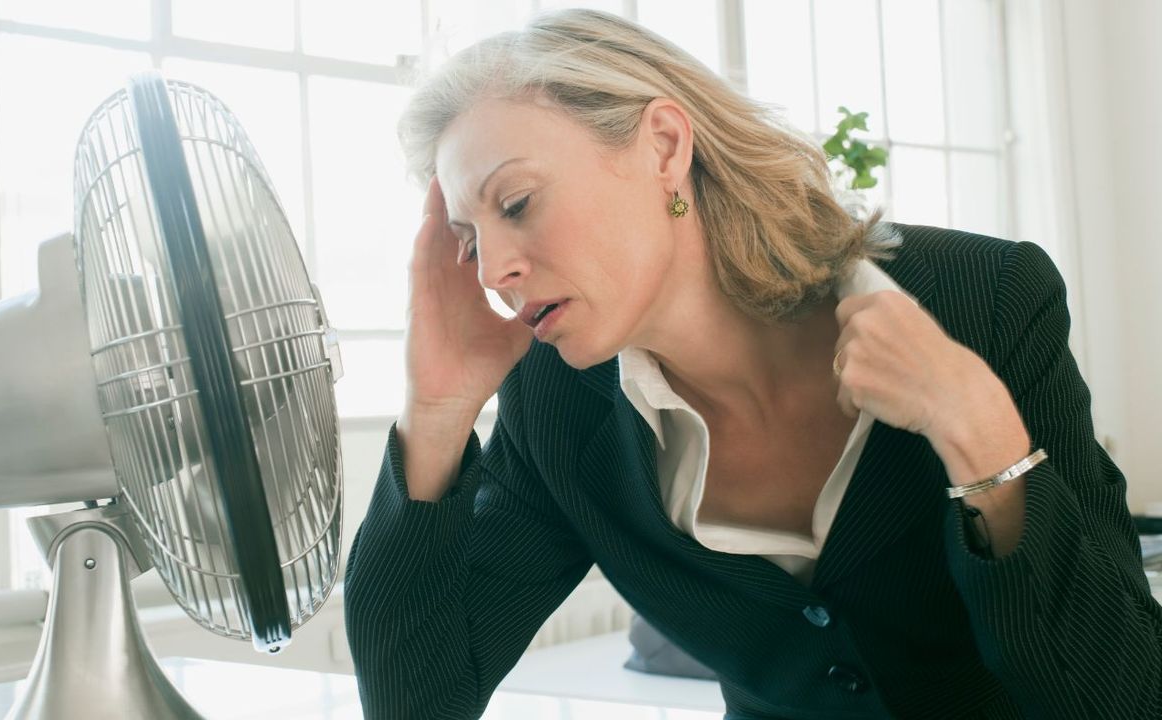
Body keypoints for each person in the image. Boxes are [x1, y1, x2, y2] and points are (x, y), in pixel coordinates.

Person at [343, 9, 1161, 719]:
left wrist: (979, 434)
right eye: (470, 237)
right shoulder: (557, 404)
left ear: (664, 145)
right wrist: (437, 412)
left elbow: (1123, 699)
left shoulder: (986, 299)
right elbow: (417, 701)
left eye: (516, 204)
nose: (491, 271)